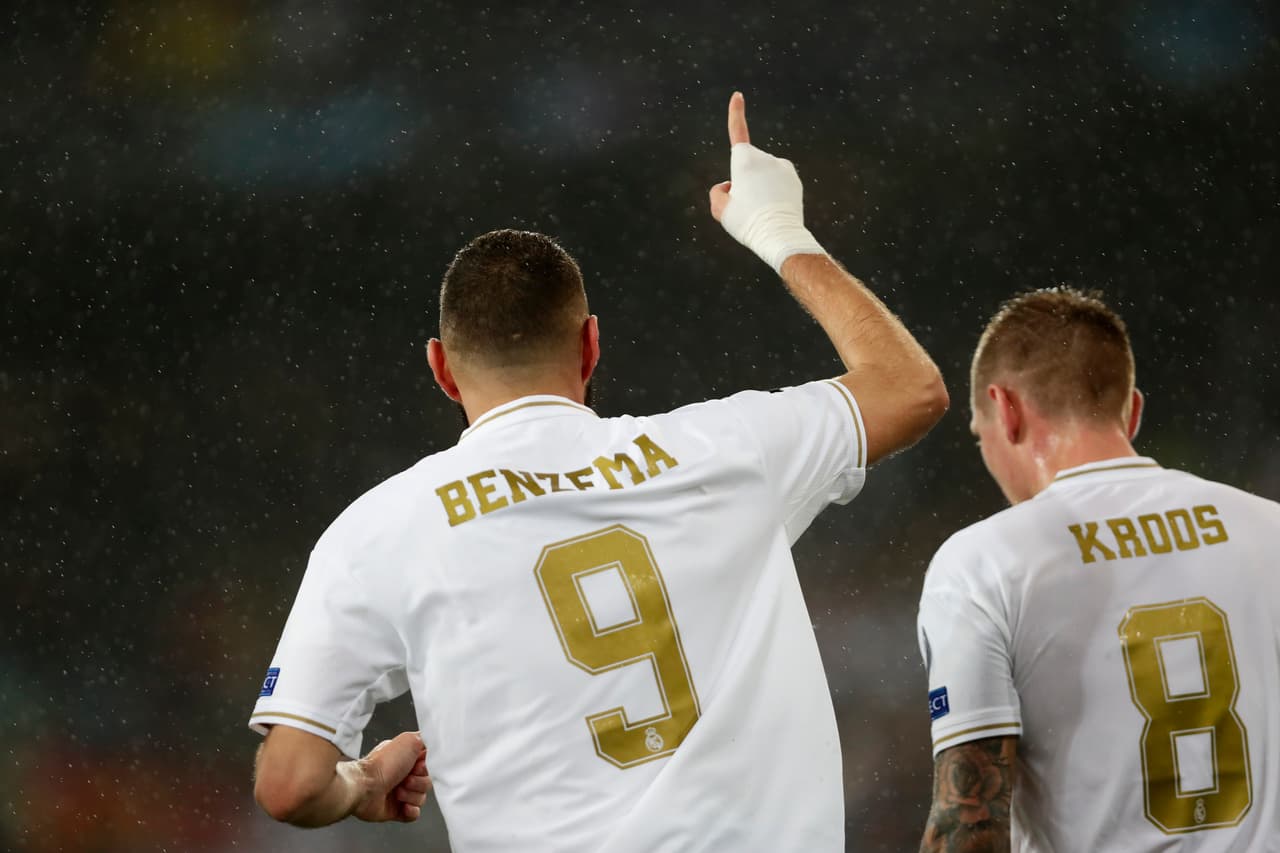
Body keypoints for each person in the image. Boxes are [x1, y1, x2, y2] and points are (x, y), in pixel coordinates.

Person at [248, 91, 948, 851]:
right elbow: (910, 387)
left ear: (443, 370)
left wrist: (363, 779)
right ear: (590, 347)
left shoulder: (378, 529)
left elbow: (289, 783)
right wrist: (779, 231)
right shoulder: (723, 450)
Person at [916, 288, 1280, 852]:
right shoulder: (1269, 530)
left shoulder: (983, 563)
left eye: (978, 433)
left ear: (1004, 408)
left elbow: (968, 824)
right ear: (1132, 410)